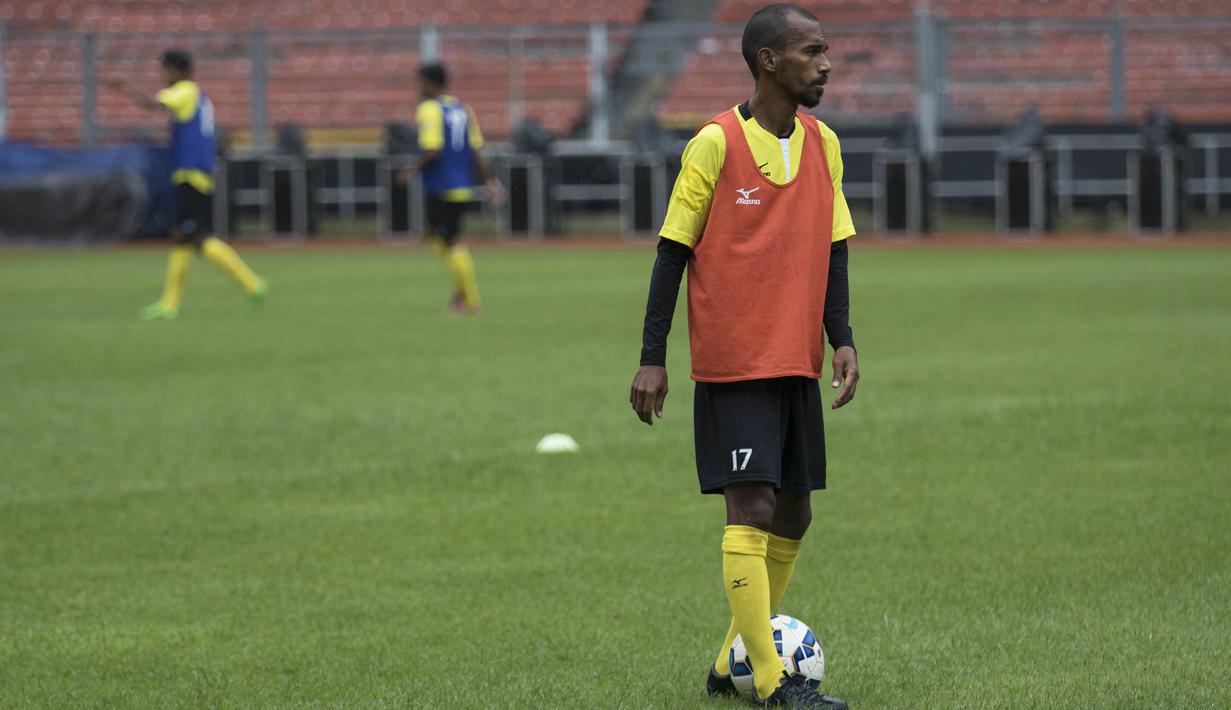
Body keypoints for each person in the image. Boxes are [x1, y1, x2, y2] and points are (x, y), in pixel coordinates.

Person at [628, 5, 859, 708]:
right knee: (751, 506)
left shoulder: (823, 143)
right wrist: (652, 357)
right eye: (811, 51)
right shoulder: (714, 143)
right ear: (769, 61)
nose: (825, 64)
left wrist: (842, 338)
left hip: (796, 357)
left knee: (794, 513)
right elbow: (671, 251)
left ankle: (726, 663)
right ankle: (770, 681)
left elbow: (834, 249)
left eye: (825, 51)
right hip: (734, 361)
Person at [112, 50, 267, 321]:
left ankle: (252, 283)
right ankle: (169, 304)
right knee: (181, 237)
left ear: (178, 70)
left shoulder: (185, 91)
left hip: (191, 174)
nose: (162, 75)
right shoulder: (200, 97)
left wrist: (125, 87)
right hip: (196, 172)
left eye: (165, 70)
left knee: (198, 237)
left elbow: (153, 104)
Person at [399, 63, 502, 315]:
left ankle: (471, 300)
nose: (418, 87)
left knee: (450, 241)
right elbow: (475, 149)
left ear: (432, 83)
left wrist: (411, 168)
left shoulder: (429, 109)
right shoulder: (463, 109)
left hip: (442, 185)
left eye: (420, 82)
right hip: (462, 185)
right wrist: (490, 180)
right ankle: (460, 295)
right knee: (437, 236)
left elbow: (433, 149)